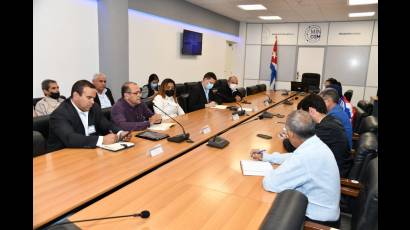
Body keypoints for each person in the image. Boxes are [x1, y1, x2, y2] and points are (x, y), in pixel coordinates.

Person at [250, 110, 340, 228]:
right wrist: (268, 157)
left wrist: (273, 170)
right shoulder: (314, 143)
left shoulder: (306, 156)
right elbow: (294, 157)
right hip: (325, 210)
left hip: (317, 222)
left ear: (291, 134)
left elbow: (271, 183)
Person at [47, 80, 131, 152]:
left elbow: (106, 124)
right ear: (76, 95)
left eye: (93, 98)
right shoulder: (60, 114)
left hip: (89, 152)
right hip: (63, 157)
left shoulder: (94, 107)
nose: (92, 102)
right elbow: (70, 138)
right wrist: (102, 140)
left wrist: (120, 133)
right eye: (89, 97)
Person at [281, 94, 353, 177]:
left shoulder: (326, 128)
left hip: (334, 175)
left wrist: (287, 138)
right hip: (331, 167)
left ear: (311, 111)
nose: (301, 119)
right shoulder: (329, 120)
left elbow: (295, 147)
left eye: (302, 115)